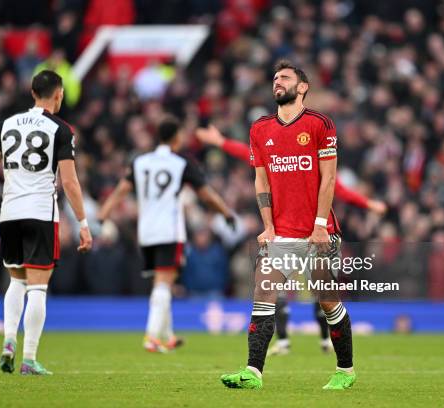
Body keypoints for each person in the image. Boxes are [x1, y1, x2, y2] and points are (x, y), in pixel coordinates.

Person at [220, 60, 356, 390]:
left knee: (327, 300)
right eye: (274, 78)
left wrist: (321, 225)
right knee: (263, 293)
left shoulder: (321, 124)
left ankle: (345, 370)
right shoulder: (260, 129)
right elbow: (261, 182)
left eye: (284, 78)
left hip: (317, 233)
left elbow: (329, 178)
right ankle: (253, 372)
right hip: (280, 233)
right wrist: (267, 226)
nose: (277, 82)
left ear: (303, 87)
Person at [196, 126, 386, 355]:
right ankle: (283, 341)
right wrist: (222, 142)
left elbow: (340, 189)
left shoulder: (315, 169)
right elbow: (249, 155)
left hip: (314, 235)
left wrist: (368, 204)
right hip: (283, 233)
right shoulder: (278, 162)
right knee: (274, 289)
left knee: (321, 293)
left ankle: (328, 340)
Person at [0, 70, 93, 375]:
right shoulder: (61, 129)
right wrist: (82, 222)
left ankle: (8, 341)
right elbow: (70, 181)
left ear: (31, 91)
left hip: (9, 214)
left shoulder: (6, 124)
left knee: (16, 281)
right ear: (59, 95)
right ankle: (28, 359)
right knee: (38, 289)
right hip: (40, 212)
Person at [97, 115, 235, 353]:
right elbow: (206, 194)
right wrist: (226, 212)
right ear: (176, 137)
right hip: (169, 231)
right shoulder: (181, 162)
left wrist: (103, 213)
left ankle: (167, 335)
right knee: (164, 283)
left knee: (160, 284)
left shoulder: (141, 161)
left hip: (146, 232)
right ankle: (151, 337)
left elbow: (122, 189)